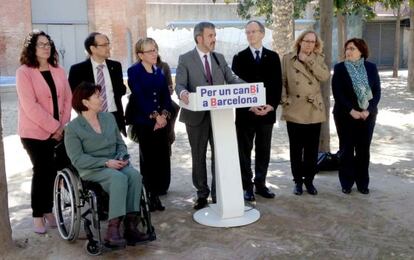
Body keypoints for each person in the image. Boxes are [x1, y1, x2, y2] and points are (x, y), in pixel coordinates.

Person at [64, 82, 149, 247]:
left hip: (115, 162)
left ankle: (131, 226)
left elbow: (120, 143)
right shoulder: (73, 128)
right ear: (85, 102)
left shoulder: (108, 118)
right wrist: (105, 162)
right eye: (97, 96)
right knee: (118, 179)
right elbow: (77, 159)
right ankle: (113, 230)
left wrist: (121, 156)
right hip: (92, 168)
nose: (101, 98)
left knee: (134, 176)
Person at [175, 21, 244, 210]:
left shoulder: (219, 58)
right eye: (211, 36)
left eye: (214, 35)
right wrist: (183, 94)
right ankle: (202, 194)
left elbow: (232, 79)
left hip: (220, 116)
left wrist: (249, 88)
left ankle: (217, 192)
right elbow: (179, 84)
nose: (214, 39)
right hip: (195, 117)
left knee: (219, 155)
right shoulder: (185, 58)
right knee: (198, 156)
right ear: (199, 38)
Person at [16, 30, 72, 234]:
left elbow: (67, 98)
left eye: (48, 44)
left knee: (57, 169)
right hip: (34, 133)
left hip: (59, 130)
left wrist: (62, 124)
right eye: (41, 44)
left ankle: (49, 210)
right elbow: (30, 106)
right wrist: (54, 127)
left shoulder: (59, 70)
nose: (46, 47)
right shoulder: (24, 72)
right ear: (32, 48)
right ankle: (38, 215)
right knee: (42, 171)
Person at [231, 20, 282, 201]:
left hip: (267, 113)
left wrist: (271, 105)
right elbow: (235, 86)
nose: (250, 35)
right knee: (244, 151)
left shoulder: (274, 57)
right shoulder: (238, 57)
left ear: (262, 34)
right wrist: (248, 105)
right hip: (246, 114)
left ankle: (260, 184)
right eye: (247, 32)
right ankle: (247, 186)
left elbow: (277, 85)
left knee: (263, 150)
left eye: (253, 31)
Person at [281, 30, 330, 196]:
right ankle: (297, 182)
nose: (309, 44)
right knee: (296, 149)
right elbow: (282, 81)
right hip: (294, 108)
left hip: (313, 109)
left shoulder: (318, 58)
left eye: (312, 42)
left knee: (311, 149)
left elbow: (324, 76)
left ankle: (309, 181)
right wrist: (284, 99)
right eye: (306, 41)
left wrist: (309, 61)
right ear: (300, 41)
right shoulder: (287, 58)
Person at [126, 38, 173, 211]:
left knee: (161, 157)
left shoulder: (159, 72)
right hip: (144, 122)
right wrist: (154, 116)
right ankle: (149, 195)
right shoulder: (134, 71)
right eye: (150, 51)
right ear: (140, 55)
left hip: (161, 122)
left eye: (155, 50)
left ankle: (157, 193)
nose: (154, 53)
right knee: (148, 160)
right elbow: (139, 96)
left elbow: (166, 97)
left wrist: (164, 116)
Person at [332, 38, 381, 195]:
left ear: (361, 51)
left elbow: (377, 92)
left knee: (363, 150)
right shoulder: (340, 68)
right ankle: (346, 182)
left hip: (367, 116)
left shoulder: (371, 68)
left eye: (352, 48)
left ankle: (362, 183)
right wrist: (351, 110)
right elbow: (338, 93)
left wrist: (369, 110)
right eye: (347, 48)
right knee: (346, 149)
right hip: (345, 115)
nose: (348, 51)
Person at [68, 32, 127, 136]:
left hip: (114, 117)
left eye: (108, 44)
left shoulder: (116, 66)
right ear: (93, 49)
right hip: (90, 118)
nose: (108, 47)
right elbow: (75, 98)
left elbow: (121, 90)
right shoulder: (77, 70)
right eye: (104, 45)